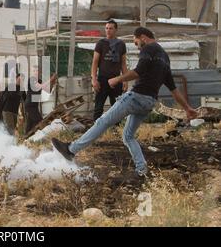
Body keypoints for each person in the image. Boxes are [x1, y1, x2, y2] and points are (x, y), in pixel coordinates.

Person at [52, 27, 198, 178]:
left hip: (136, 97)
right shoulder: (165, 57)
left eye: (135, 41)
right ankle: (142, 170)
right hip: (149, 102)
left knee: (103, 121)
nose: (135, 44)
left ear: (143, 37)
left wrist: (118, 79)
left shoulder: (148, 49)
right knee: (128, 136)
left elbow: (138, 71)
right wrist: (187, 108)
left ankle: (71, 149)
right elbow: (173, 89)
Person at [92, 20, 128, 121]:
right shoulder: (101, 43)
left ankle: (116, 130)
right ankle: (95, 130)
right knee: (98, 107)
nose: (108, 30)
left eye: (111, 28)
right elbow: (95, 63)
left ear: (116, 30)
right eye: (106, 28)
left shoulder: (121, 44)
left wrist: (125, 80)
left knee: (117, 107)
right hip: (102, 79)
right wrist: (94, 79)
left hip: (117, 79)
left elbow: (123, 64)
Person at [25, 66, 57, 134]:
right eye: (34, 71)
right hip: (30, 104)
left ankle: (25, 138)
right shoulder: (31, 79)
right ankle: (44, 135)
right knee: (39, 121)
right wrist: (50, 79)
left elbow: (47, 90)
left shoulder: (39, 81)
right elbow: (40, 86)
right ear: (32, 72)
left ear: (39, 72)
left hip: (35, 105)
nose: (36, 72)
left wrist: (52, 83)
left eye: (37, 71)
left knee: (30, 124)